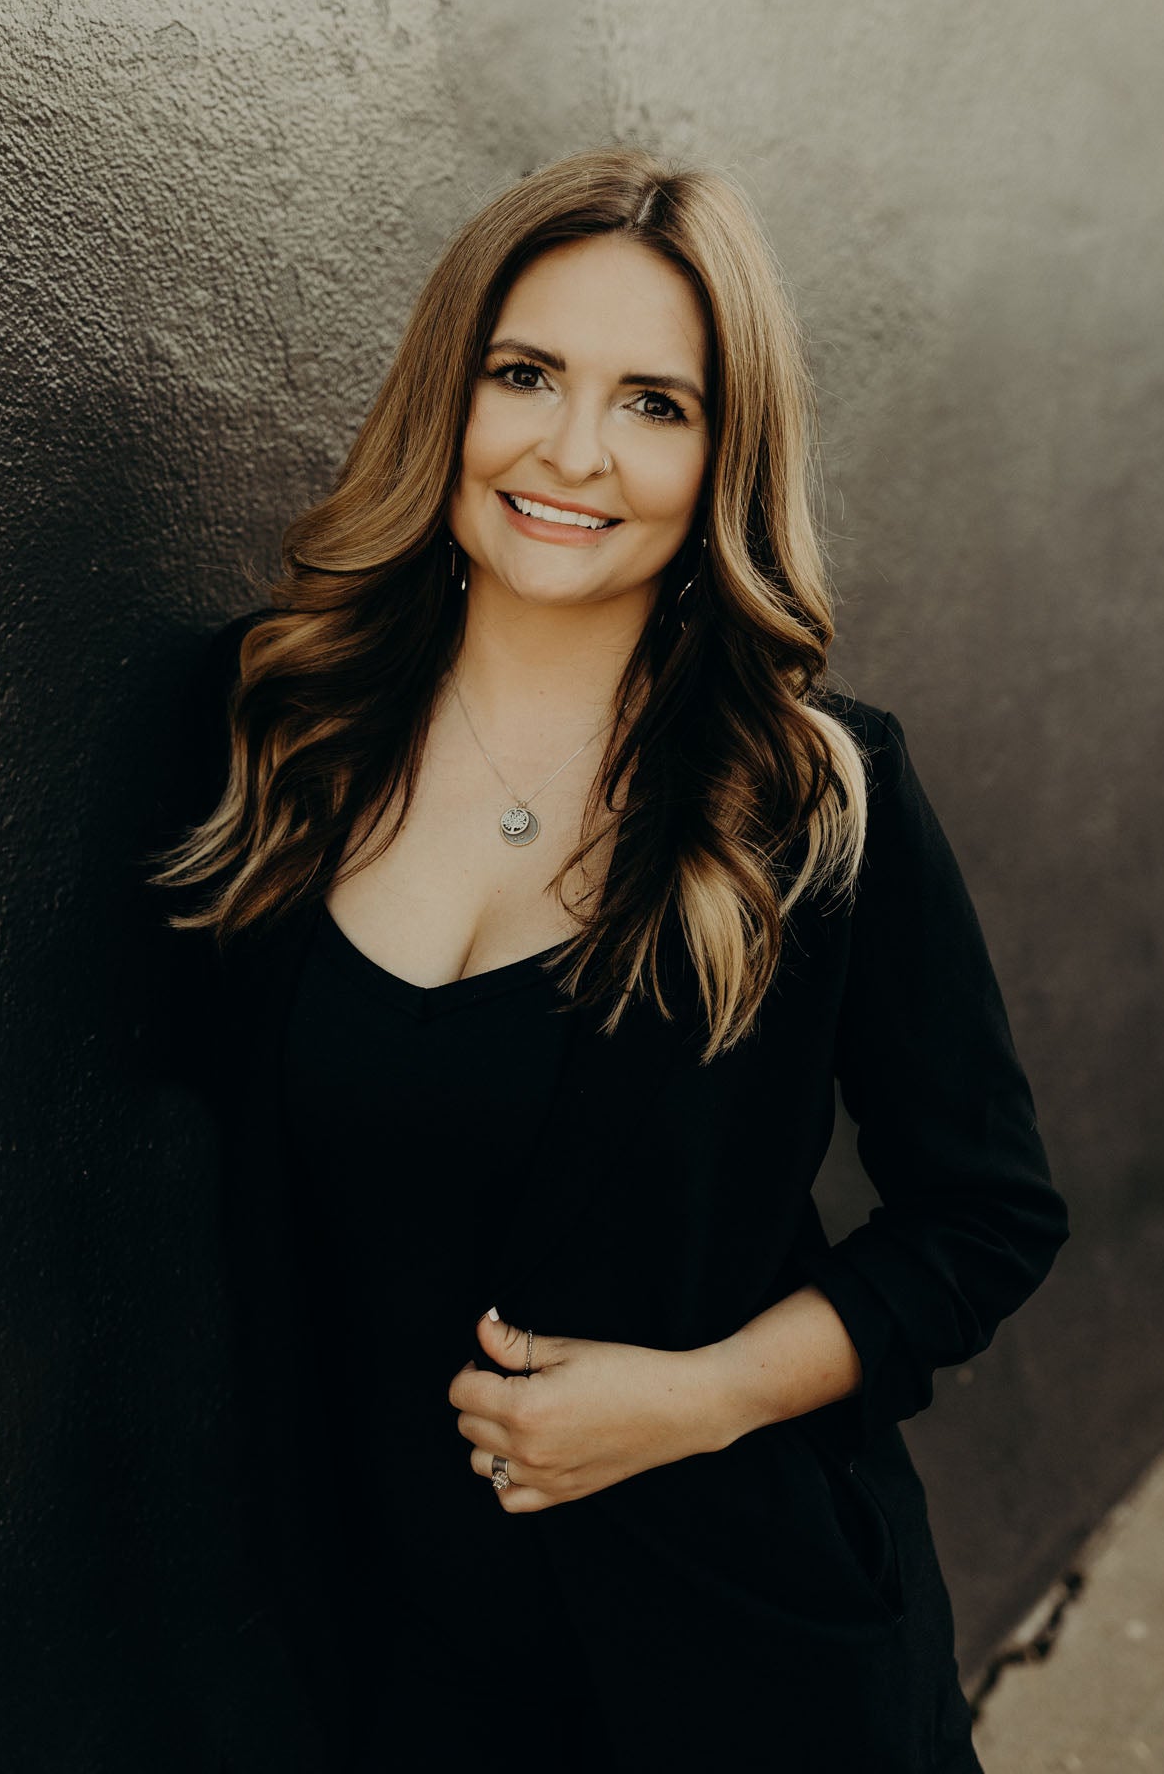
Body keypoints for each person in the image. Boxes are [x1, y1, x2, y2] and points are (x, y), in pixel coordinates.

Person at [148, 148, 1069, 1773]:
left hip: (743, 1654)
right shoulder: (278, 725)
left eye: (657, 403)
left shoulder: (809, 793)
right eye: (527, 375)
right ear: (454, 390)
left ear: (725, 451)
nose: (573, 451)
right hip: (396, 1660)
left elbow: (984, 1215)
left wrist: (699, 1396)